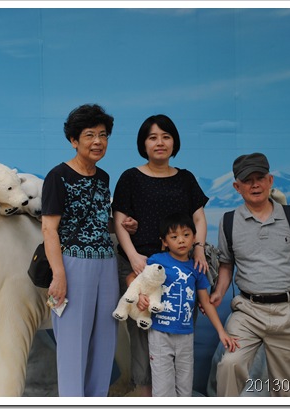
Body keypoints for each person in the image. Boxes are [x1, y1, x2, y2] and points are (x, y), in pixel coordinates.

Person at [112, 114, 210, 396]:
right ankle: (146, 395)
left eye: (166, 137)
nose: (160, 143)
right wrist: (133, 257)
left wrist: (199, 248)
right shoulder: (130, 178)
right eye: (153, 137)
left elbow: (199, 219)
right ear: (143, 144)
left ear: (174, 142)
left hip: (180, 269)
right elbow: (120, 221)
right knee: (143, 336)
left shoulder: (186, 178)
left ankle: (178, 396)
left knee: (178, 332)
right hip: (141, 267)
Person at [210, 152, 290, 397]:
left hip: (289, 312)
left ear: (270, 181)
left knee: (287, 388)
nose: (255, 185)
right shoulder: (229, 221)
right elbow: (226, 265)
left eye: (260, 178)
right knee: (230, 364)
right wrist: (218, 292)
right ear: (237, 187)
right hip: (248, 312)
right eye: (247, 180)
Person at [41, 103, 118, 397]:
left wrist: (122, 225)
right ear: (74, 140)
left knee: (105, 342)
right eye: (89, 135)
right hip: (73, 263)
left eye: (103, 135)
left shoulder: (103, 178)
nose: (98, 141)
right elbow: (49, 229)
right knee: (73, 345)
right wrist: (59, 274)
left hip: (107, 263)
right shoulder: (58, 176)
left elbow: (97, 221)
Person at [133, 213, 239, 397]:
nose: (181, 240)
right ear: (164, 242)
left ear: (195, 237)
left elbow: (205, 302)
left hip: (186, 336)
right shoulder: (157, 261)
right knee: (162, 390)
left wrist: (221, 332)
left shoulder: (197, 267)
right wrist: (139, 295)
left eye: (186, 235)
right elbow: (132, 278)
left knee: (184, 389)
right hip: (160, 335)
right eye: (174, 237)